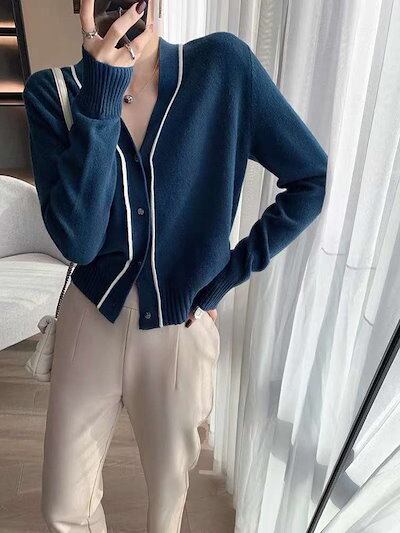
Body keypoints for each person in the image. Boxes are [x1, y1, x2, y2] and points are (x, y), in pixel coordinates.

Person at [22, 0, 328, 531]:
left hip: (181, 326)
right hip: (90, 314)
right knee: (64, 508)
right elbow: (80, 241)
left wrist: (223, 280)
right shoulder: (54, 93)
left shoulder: (221, 67)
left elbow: (310, 178)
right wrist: (101, 95)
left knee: (168, 501)